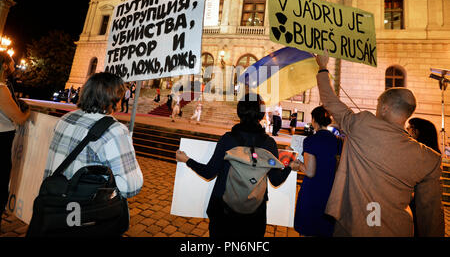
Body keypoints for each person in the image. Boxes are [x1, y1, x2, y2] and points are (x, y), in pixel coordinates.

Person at [315, 50, 444, 237]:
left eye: (377, 105)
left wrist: (323, 67)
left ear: (384, 107)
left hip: (353, 226)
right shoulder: (429, 159)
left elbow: (329, 100)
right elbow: (430, 215)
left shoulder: (362, 124)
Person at [176, 93, 294, 238]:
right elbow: (276, 180)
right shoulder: (269, 144)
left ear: (240, 111)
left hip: (224, 214)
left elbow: (209, 172)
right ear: (262, 114)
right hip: (255, 216)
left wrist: (187, 159)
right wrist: (290, 167)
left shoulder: (228, 140)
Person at [44, 72, 143, 203]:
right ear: (115, 98)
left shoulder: (65, 118)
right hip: (83, 210)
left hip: (53, 200)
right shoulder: (114, 131)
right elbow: (131, 187)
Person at [292, 106, 342, 237]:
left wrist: (298, 164)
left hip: (313, 191)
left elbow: (309, 171)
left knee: (309, 228)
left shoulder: (311, 141)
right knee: (325, 229)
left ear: (314, 120)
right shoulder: (337, 141)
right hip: (330, 190)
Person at [0, 52, 30, 231]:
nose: (14, 67)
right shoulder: (1, 89)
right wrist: (27, 111)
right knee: (2, 180)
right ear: (4, 65)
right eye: (11, 63)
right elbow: (19, 118)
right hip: (2, 138)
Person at [406, 117, 441, 237]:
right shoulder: (432, 155)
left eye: (408, 129)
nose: (406, 132)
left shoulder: (423, 156)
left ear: (416, 132)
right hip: (426, 209)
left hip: (419, 207)